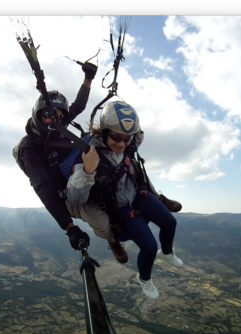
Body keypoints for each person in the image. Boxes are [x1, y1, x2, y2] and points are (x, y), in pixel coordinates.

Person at [65, 100, 183, 299]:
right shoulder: (89, 154)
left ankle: (168, 252)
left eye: (126, 138)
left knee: (170, 222)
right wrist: (87, 170)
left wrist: (131, 124)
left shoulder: (128, 143)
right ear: (104, 131)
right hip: (121, 208)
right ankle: (144, 279)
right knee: (149, 247)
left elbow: (138, 136)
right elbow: (75, 198)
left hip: (137, 195)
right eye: (116, 137)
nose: (121, 144)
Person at [13, 62, 98, 251]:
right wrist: (70, 228)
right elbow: (44, 188)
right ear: (37, 115)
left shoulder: (60, 124)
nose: (53, 120)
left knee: (98, 140)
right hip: (61, 185)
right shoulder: (30, 148)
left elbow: (80, 105)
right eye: (48, 116)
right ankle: (112, 241)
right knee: (100, 220)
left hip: (74, 166)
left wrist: (88, 79)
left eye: (59, 115)